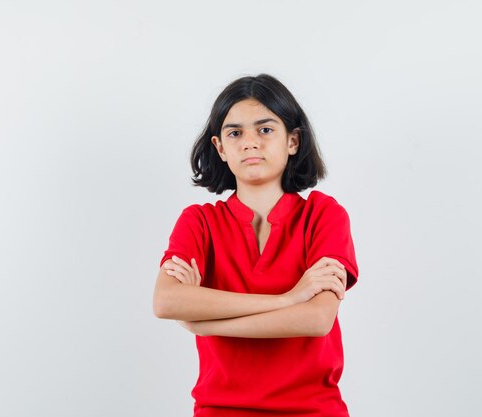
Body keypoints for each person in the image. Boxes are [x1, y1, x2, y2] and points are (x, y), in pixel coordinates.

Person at [153, 74, 359, 417]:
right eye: (235, 133)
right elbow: (166, 301)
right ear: (220, 148)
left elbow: (316, 318)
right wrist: (288, 298)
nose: (250, 142)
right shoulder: (199, 222)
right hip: (219, 410)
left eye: (265, 130)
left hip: (313, 411)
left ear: (292, 141)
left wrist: (202, 321)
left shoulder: (323, 215)